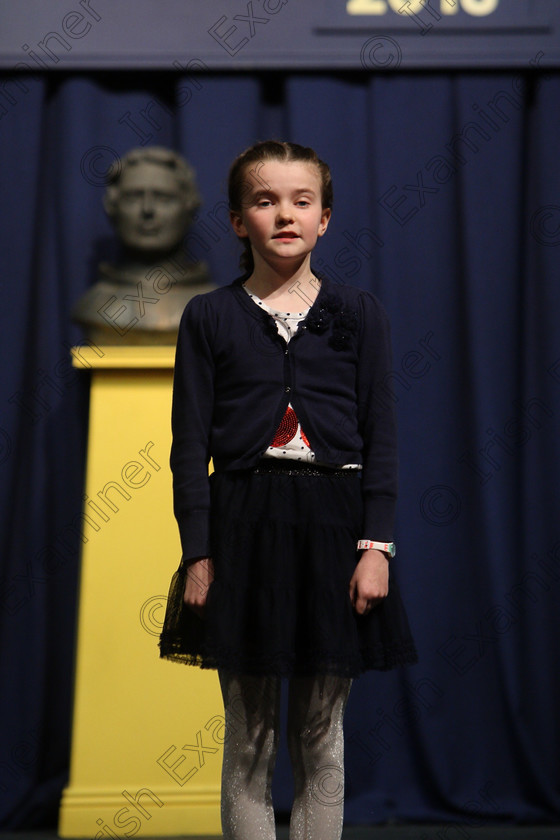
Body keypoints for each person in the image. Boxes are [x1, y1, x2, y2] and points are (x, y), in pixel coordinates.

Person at [159, 140, 417, 840]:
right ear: (240, 220)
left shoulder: (358, 314)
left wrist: (377, 548)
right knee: (249, 738)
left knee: (320, 734)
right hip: (243, 525)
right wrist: (200, 553)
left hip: (335, 529)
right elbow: (188, 451)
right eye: (265, 201)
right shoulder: (209, 317)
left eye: (302, 202)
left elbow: (382, 439)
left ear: (325, 219)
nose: (285, 215)